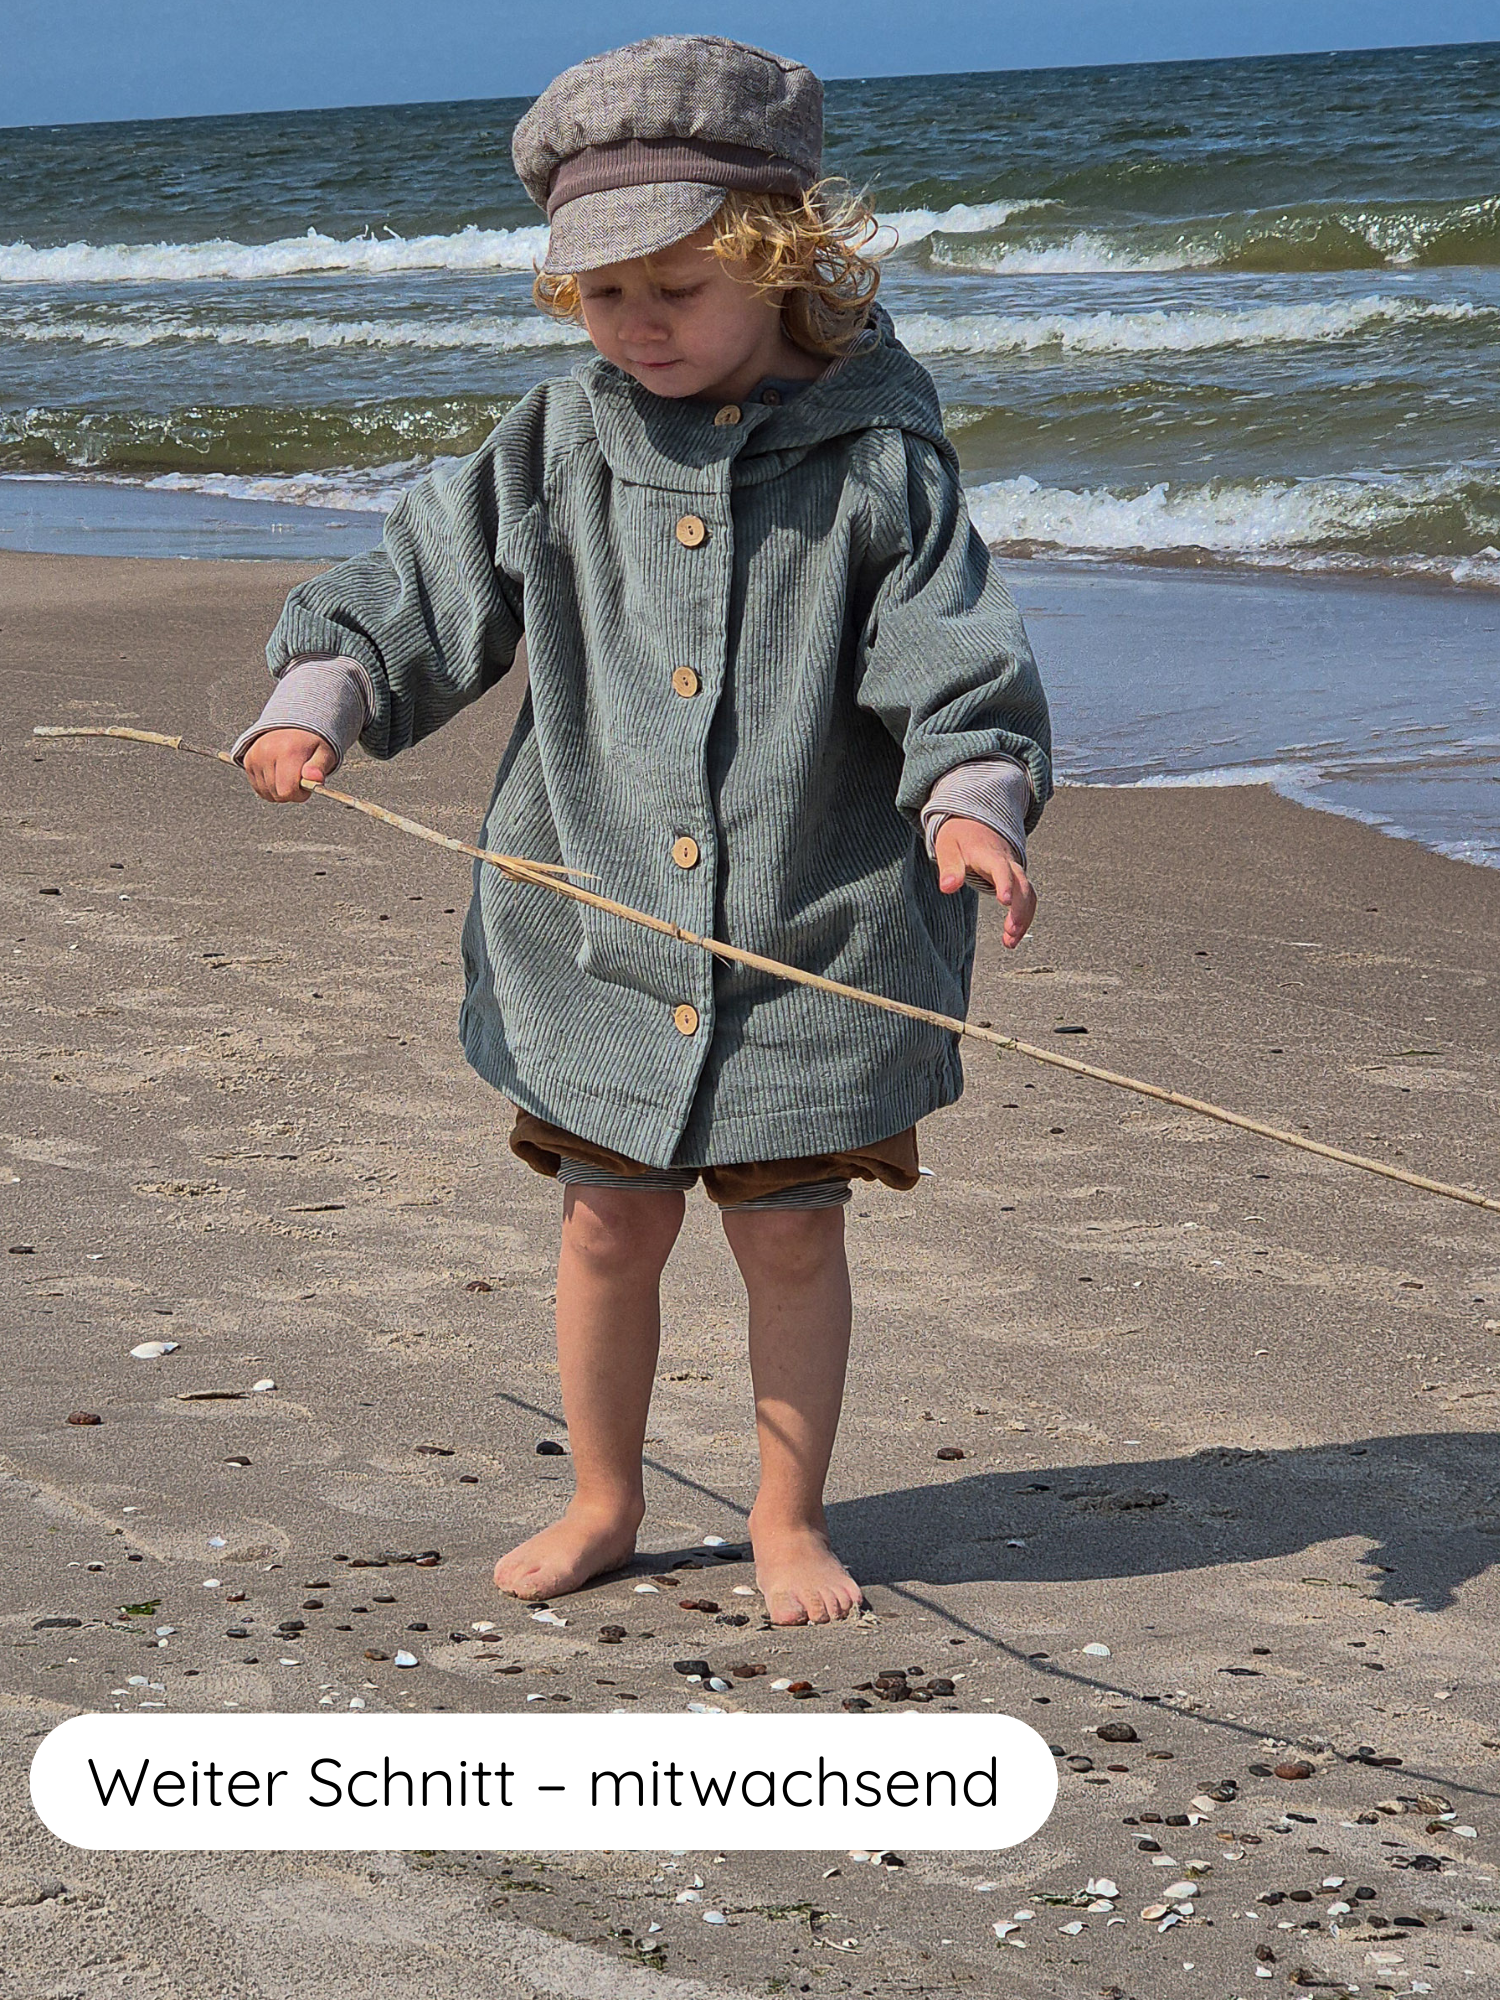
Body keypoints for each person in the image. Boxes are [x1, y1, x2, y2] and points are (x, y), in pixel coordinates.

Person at [234, 35, 1052, 1626]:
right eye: (604, 294)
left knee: (791, 1240)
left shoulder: (879, 467)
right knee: (608, 1220)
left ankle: (786, 1516)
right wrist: (323, 694)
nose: (639, 323)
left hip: (818, 930)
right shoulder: (556, 443)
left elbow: (956, 657)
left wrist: (974, 802)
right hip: (599, 920)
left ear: (782, 261)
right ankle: (603, 1497)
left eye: (677, 284)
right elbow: (421, 586)